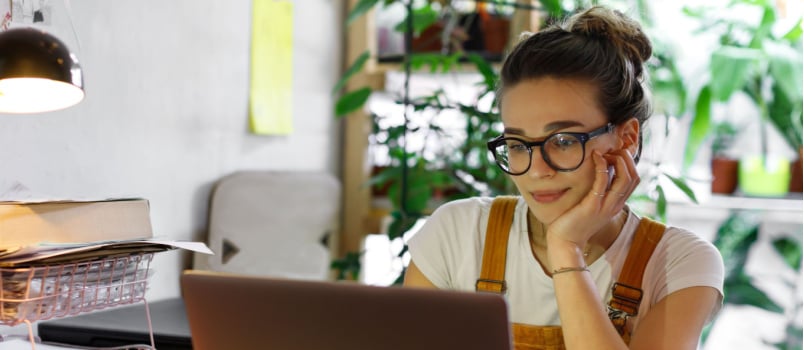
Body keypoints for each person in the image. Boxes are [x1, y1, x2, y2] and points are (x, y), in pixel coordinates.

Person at [403, 5, 724, 350]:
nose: (538, 170)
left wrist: (566, 249)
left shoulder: (678, 263)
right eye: (518, 144)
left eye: (564, 141)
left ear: (626, 138)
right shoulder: (458, 234)